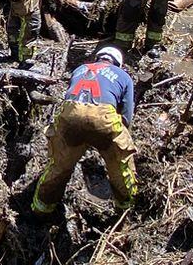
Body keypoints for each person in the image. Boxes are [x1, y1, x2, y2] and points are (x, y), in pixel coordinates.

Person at [32, 45, 136, 216]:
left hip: (70, 115)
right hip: (103, 118)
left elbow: (70, 95)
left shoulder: (80, 69)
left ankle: (41, 208)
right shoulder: (124, 76)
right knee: (120, 167)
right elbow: (127, 117)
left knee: (59, 165)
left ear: (97, 58)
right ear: (117, 64)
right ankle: (124, 210)